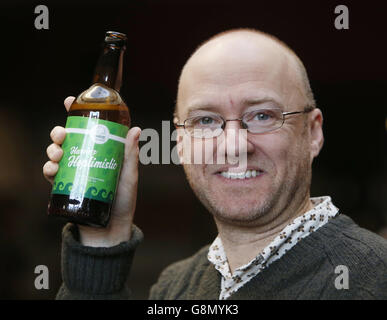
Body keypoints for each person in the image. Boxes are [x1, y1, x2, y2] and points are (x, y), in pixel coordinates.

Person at [43, 28, 387, 300]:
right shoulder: (175, 286)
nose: (234, 145)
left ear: (313, 133)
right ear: (179, 141)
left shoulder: (374, 278)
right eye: (205, 121)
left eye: (263, 115)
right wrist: (101, 240)